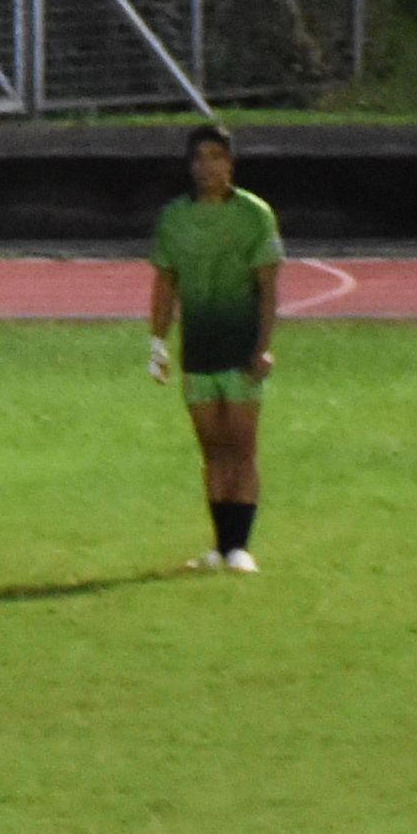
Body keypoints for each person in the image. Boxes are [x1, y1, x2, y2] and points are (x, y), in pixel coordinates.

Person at [146, 120, 280, 570]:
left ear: (231, 163)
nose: (207, 167)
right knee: (212, 448)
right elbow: (165, 283)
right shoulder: (174, 219)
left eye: (216, 157)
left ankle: (240, 545)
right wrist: (158, 343)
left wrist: (263, 346)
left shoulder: (254, 215)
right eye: (199, 158)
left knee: (242, 446)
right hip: (199, 348)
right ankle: (219, 545)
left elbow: (268, 286)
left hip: (240, 347)